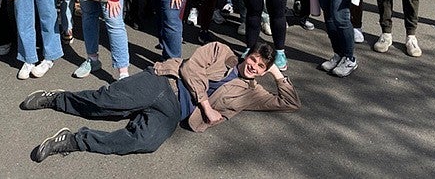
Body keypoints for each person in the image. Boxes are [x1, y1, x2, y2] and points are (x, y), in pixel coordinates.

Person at [21, 41, 300, 161]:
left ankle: (72, 141)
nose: (254, 66)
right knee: (105, 103)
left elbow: (290, 103)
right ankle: (56, 99)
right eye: (253, 59)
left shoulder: (252, 92)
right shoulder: (221, 51)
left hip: (175, 111)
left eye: (260, 66)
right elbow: (191, 69)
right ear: (246, 54)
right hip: (163, 82)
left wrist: (277, 74)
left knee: (144, 142)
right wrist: (205, 105)